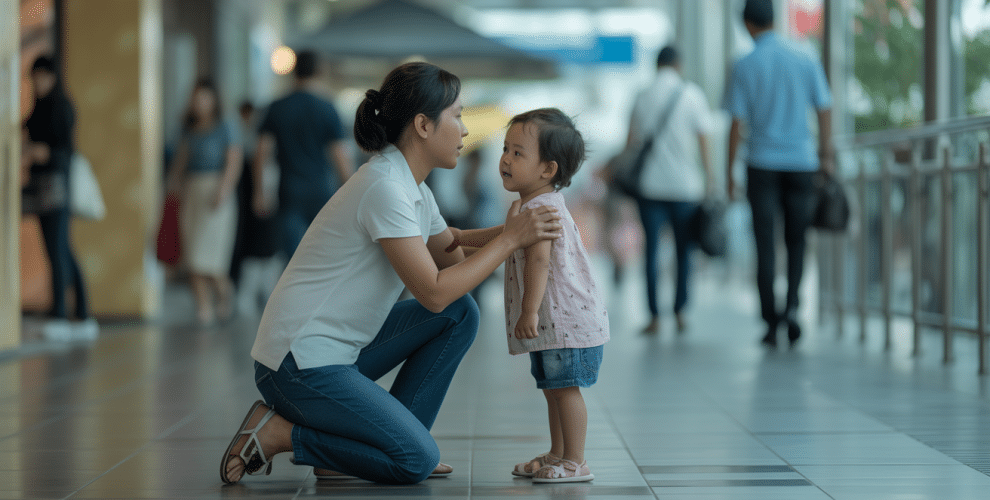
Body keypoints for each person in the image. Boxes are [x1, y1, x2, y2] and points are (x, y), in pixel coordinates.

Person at [220, 62, 563, 485]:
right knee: (413, 461)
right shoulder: (385, 186)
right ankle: (281, 433)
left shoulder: (413, 187)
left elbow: (454, 262)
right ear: (423, 124)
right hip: (296, 365)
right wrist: (511, 240)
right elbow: (434, 292)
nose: (465, 130)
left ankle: (364, 449)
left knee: (462, 313)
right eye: (456, 116)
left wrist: (514, 230)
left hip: (340, 353)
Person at [448, 108, 609, 483]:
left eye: (517, 153)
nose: (505, 158)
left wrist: (528, 311)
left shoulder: (542, 210)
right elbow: (504, 237)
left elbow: (538, 261)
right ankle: (558, 453)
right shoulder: (530, 206)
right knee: (554, 389)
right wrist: (461, 236)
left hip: (564, 321)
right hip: (556, 323)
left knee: (566, 391)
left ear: (547, 170)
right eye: (505, 149)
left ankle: (577, 460)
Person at [724, 0, 833, 348]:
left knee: (765, 243)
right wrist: (824, 153)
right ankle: (793, 310)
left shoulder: (744, 64)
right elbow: (824, 108)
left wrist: (729, 172)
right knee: (797, 239)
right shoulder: (805, 56)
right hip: (802, 163)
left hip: (761, 164)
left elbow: (736, 123)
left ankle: (771, 322)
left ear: (747, 24)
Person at [625, 45, 714, 335]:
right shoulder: (692, 94)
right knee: (683, 251)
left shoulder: (642, 95)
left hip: (650, 185)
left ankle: (653, 316)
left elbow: (631, 142)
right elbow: (703, 140)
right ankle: (680, 312)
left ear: (656, 65)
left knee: (650, 251)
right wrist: (710, 177)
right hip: (685, 186)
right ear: (678, 65)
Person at [22, 55, 97, 341]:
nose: (39, 82)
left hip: (57, 184)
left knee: (58, 248)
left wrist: (43, 153)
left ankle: (63, 314)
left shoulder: (63, 107)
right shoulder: (38, 107)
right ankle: (81, 313)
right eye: (35, 77)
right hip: (40, 186)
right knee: (59, 247)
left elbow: (66, 151)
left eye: (43, 76)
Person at [252, 50, 354, 260]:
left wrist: (260, 192)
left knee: (292, 260)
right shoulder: (327, 108)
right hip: (322, 190)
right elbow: (340, 158)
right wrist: (352, 195)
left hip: (289, 190)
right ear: (319, 73)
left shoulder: (277, 107)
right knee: (322, 256)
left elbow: (261, 154)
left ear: (294, 72)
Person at [166, 79, 243, 325]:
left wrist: (223, 189)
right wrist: (173, 186)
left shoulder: (226, 126)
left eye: (204, 98)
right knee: (193, 255)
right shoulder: (188, 128)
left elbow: (233, 160)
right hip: (192, 190)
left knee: (209, 256)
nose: (199, 103)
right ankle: (203, 308)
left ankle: (225, 296)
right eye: (196, 98)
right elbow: (181, 160)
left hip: (215, 190)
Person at [230, 101, 280, 316]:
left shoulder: (260, 143)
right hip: (253, 204)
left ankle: (257, 296)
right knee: (256, 249)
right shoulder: (244, 140)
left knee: (264, 249)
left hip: (264, 204)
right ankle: (250, 296)